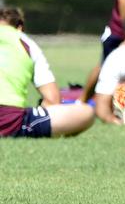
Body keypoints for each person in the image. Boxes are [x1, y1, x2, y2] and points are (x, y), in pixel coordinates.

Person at [0, 7, 94, 138]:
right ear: (20, 27)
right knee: (86, 112)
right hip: (9, 122)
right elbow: (53, 99)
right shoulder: (25, 41)